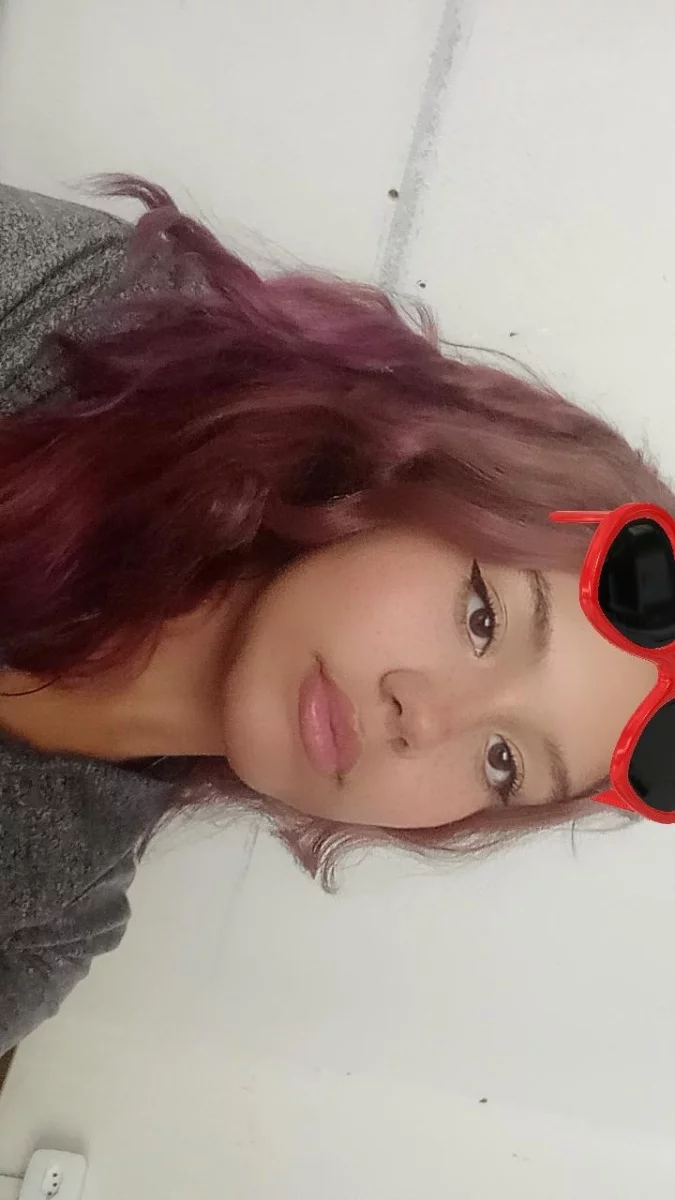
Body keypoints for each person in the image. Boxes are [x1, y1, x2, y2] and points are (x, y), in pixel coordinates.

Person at [0, 177, 665, 1055]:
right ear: (420, 481)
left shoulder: (43, 924)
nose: (425, 720)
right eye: (482, 621)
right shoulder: (86, 330)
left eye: (502, 761)